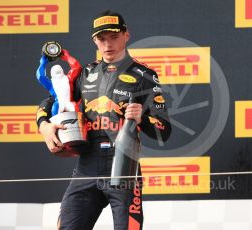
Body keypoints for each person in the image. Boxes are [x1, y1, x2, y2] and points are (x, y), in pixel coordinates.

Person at [36, 9, 171, 230]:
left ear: (126, 35)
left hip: (124, 168)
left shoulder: (145, 75)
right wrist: (44, 125)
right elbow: (50, 102)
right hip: (86, 166)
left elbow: (164, 130)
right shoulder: (85, 74)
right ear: (94, 41)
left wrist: (142, 119)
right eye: (101, 39)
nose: (108, 44)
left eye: (114, 37)